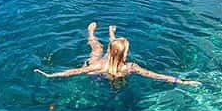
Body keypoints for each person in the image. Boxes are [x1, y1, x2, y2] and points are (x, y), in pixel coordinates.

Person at [34, 22, 200, 85]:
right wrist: (182, 81)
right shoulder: (130, 66)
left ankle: (91, 33)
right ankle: (106, 33)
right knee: (102, 49)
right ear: (125, 53)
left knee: (96, 48)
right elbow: (156, 75)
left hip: (95, 73)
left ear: (111, 51)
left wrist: (50, 75)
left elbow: (75, 71)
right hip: (117, 78)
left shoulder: (100, 63)